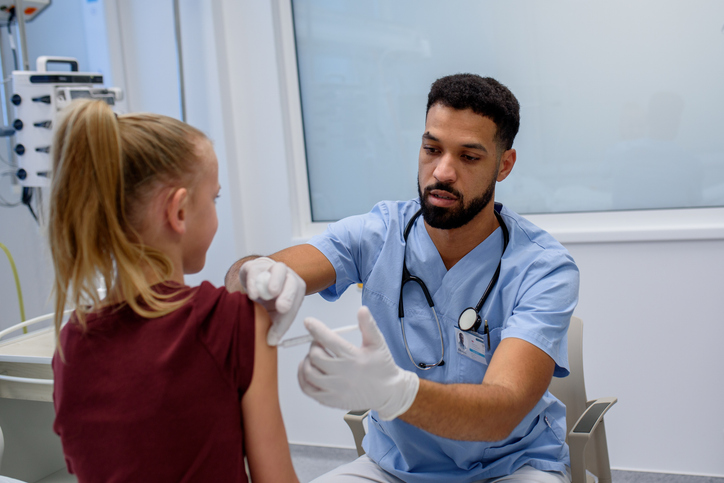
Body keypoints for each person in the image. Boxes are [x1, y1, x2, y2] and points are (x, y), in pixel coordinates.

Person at [226, 74, 580, 482]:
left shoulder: (543, 268)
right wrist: (257, 276)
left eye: (469, 157)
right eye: (432, 149)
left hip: (509, 467)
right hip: (392, 468)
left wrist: (395, 392)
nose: (442, 172)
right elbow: (267, 269)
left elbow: (501, 412)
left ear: (504, 165)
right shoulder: (378, 233)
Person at [49, 99, 299, 483]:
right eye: (214, 199)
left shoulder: (71, 345)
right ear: (179, 212)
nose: (216, 213)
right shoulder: (234, 322)